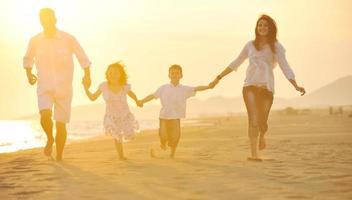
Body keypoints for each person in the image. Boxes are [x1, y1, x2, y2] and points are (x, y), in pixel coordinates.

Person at [210, 14, 306, 161]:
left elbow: (285, 66)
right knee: (253, 118)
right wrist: (218, 77)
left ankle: (262, 134)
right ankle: (254, 154)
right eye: (260, 25)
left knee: (262, 120)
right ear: (256, 28)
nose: (262, 28)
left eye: (265, 25)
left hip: (267, 87)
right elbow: (236, 62)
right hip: (250, 85)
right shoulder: (250, 45)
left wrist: (295, 84)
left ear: (271, 28)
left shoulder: (277, 47)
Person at [23, 8, 92, 161]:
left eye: (49, 18)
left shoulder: (68, 38)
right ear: (40, 21)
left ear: (55, 19)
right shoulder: (35, 40)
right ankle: (49, 138)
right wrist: (29, 74)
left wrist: (87, 75)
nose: (47, 21)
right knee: (45, 114)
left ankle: (59, 155)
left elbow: (83, 57)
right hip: (44, 85)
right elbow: (28, 58)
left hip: (64, 87)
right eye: (43, 19)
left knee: (61, 125)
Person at [140, 64, 215, 158]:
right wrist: (142, 101)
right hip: (164, 116)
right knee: (163, 134)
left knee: (175, 136)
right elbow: (153, 96)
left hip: (176, 117)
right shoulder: (163, 88)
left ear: (181, 75)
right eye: (172, 73)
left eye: (177, 73)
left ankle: (172, 153)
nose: (174, 75)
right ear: (169, 75)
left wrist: (208, 86)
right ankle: (163, 143)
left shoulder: (184, 89)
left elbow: (196, 88)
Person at [83, 62, 141, 160]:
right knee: (117, 136)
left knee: (129, 134)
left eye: (115, 73)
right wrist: (85, 88)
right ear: (107, 74)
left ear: (120, 74)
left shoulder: (124, 86)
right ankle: (121, 156)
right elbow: (93, 97)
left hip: (125, 115)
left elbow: (131, 94)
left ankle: (123, 153)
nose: (112, 75)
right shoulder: (103, 86)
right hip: (111, 116)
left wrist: (137, 101)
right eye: (110, 72)